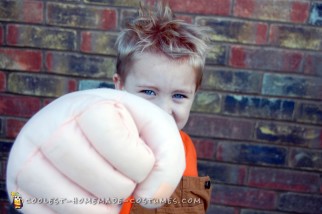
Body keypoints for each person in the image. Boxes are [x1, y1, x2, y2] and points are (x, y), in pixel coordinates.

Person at [114, 2, 211, 213]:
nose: (163, 110)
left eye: (179, 95)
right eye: (149, 92)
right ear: (119, 85)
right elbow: (24, 194)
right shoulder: (98, 135)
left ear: (194, 94)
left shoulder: (183, 148)